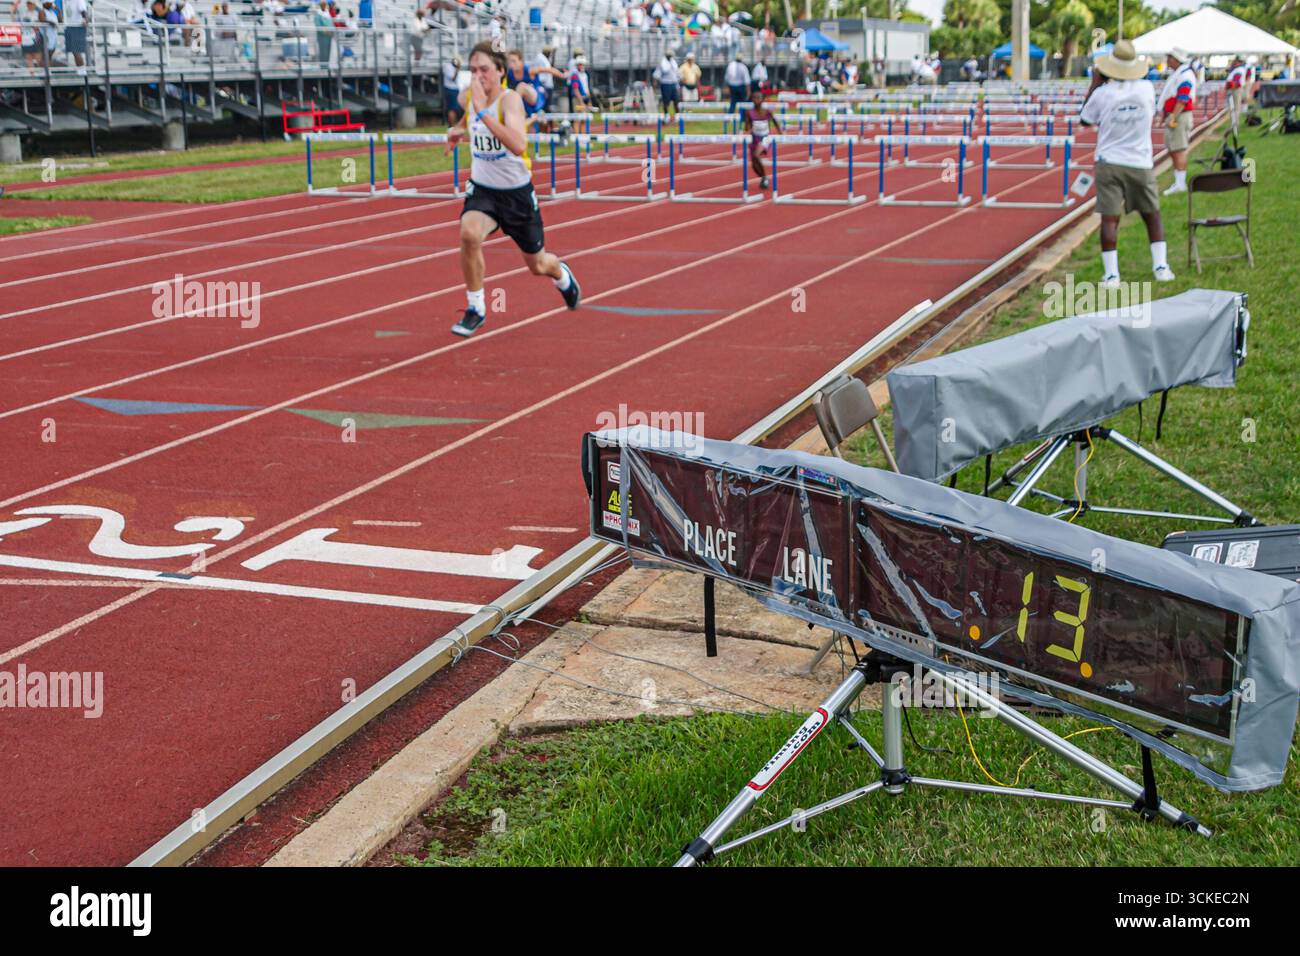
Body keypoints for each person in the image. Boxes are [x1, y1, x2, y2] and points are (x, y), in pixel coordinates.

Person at [446, 41, 580, 338]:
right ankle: (476, 308)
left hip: (517, 194)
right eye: (473, 70)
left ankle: (562, 276)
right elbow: (470, 123)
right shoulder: (472, 98)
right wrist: (457, 133)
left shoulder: (509, 101)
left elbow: (519, 144)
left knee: (538, 265)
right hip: (484, 190)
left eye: (484, 70)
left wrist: (484, 114)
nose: (478, 76)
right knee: (468, 234)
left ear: (500, 71)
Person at [1079, 40, 1175, 288]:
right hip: (1140, 161)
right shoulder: (1146, 89)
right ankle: (1161, 267)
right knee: (1152, 215)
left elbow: (1085, 119)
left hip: (1109, 161)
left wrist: (1095, 83)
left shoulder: (1102, 93)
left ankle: (1112, 275)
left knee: (1110, 219)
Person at [1158, 47, 1197, 195]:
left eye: (1169, 57)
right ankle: (1178, 182)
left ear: (1175, 59)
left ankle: (1180, 184)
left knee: (1178, 149)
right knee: (1174, 149)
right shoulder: (1179, 73)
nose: (1167, 60)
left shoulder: (1185, 75)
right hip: (1176, 114)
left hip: (1180, 115)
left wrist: (1173, 116)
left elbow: (1182, 98)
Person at [743, 87, 782, 190]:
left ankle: (764, 178)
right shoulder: (749, 112)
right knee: (753, 165)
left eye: (758, 98)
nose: (756, 100)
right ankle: (764, 178)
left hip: (765, 138)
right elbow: (746, 128)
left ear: (762, 99)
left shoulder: (767, 112)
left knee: (756, 155)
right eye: (754, 98)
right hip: (754, 139)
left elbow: (775, 122)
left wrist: (781, 133)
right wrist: (747, 121)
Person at [506, 49, 545, 130]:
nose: (511, 64)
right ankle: (535, 117)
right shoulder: (509, 72)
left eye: (514, 61)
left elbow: (548, 70)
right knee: (524, 128)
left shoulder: (529, 70)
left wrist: (562, 75)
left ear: (521, 61)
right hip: (522, 100)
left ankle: (535, 115)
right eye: (509, 61)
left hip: (535, 97)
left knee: (521, 87)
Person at [653, 48, 679, 116]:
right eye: (669, 55)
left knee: (676, 101)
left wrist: (677, 84)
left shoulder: (673, 62)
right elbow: (656, 74)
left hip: (673, 84)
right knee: (666, 101)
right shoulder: (662, 63)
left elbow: (676, 74)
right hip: (666, 84)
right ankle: (666, 115)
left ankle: (677, 116)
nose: (670, 57)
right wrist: (655, 83)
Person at [442, 54, 463, 124]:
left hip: (456, 89)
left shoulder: (453, 67)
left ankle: (454, 124)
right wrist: (457, 69)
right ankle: (451, 125)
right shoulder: (447, 66)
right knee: (452, 108)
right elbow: (453, 78)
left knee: (456, 108)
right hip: (450, 89)